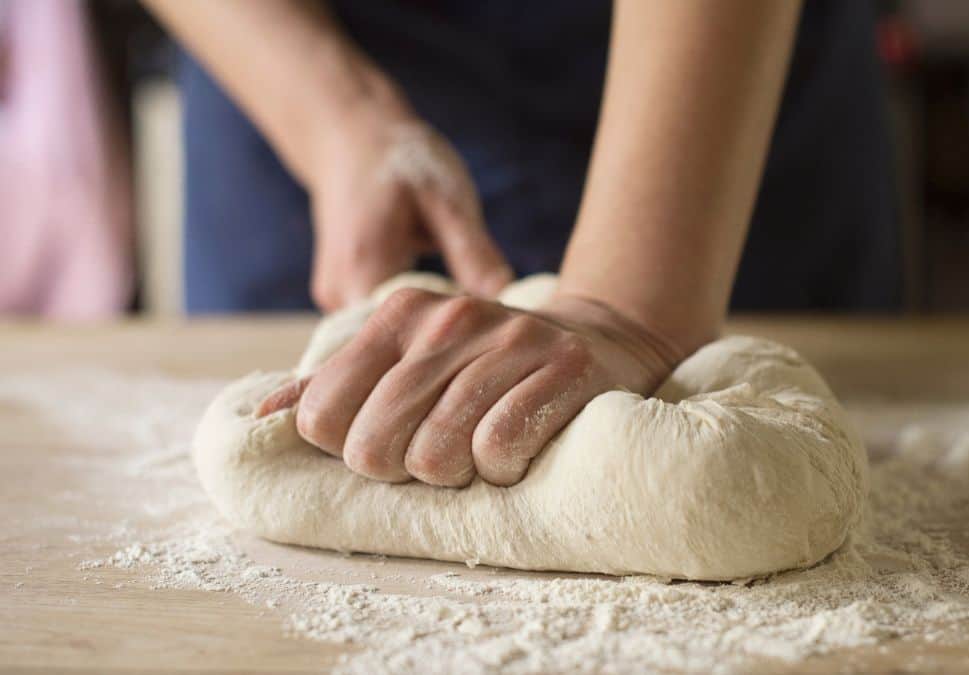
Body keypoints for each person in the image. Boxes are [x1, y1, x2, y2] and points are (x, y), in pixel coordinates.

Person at [146, 0, 898, 488]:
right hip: (290, 50)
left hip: (710, 69)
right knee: (309, 432)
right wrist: (336, 116)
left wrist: (630, 309)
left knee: (746, 475)